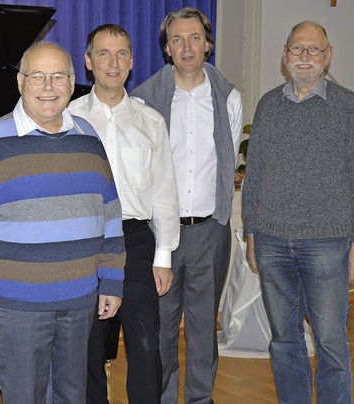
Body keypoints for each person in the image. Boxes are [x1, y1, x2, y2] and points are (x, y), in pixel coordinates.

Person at [0, 41, 126, 403]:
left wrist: (112, 280)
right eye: (37, 76)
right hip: (17, 308)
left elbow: (110, 217)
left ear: (73, 81)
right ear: (20, 82)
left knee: (71, 396)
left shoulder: (89, 139)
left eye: (58, 76)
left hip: (79, 302)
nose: (49, 86)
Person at [130, 7, 243, 403]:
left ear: (208, 44)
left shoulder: (229, 97)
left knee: (201, 330)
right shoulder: (143, 100)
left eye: (195, 38)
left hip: (211, 229)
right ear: (167, 49)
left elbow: (226, 161)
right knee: (160, 329)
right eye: (177, 40)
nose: (187, 47)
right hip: (161, 234)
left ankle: (200, 399)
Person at [242, 21, 353, 404]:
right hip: (272, 242)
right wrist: (251, 233)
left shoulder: (348, 107)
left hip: (328, 242)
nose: (304, 57)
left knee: (332, 343)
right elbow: (254, 173)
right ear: (285, 55)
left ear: (328, 56)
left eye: (313, 50)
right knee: (284, 340)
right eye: (297, 50)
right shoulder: (268, 105)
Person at [68, 24, 179, 404]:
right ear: (88, 62)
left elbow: (165, 192)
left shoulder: (151, 122)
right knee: (87, 348)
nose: (112, 63)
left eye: (120, 54)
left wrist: (163, 256)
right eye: (103, 53)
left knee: (146, 344)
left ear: (131, 62)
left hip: (135, 239)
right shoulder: (68, 119)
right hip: (84, 240)